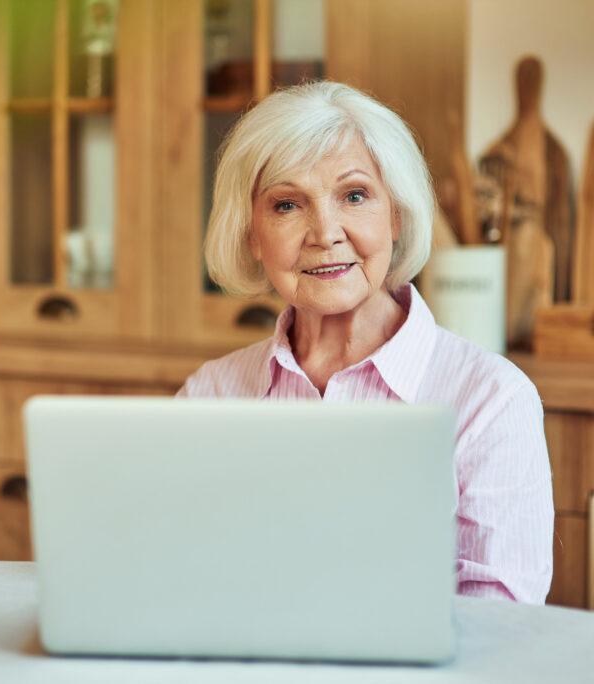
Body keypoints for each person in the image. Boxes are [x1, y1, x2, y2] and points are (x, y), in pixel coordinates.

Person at [177, 81, 553, 604]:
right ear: (250, 235)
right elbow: (181, 580)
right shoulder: (210, 396)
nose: (325, 232)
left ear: (395, 214)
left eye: (355, 196)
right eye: (287, 205)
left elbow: (501, 621)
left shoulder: (491, 399)